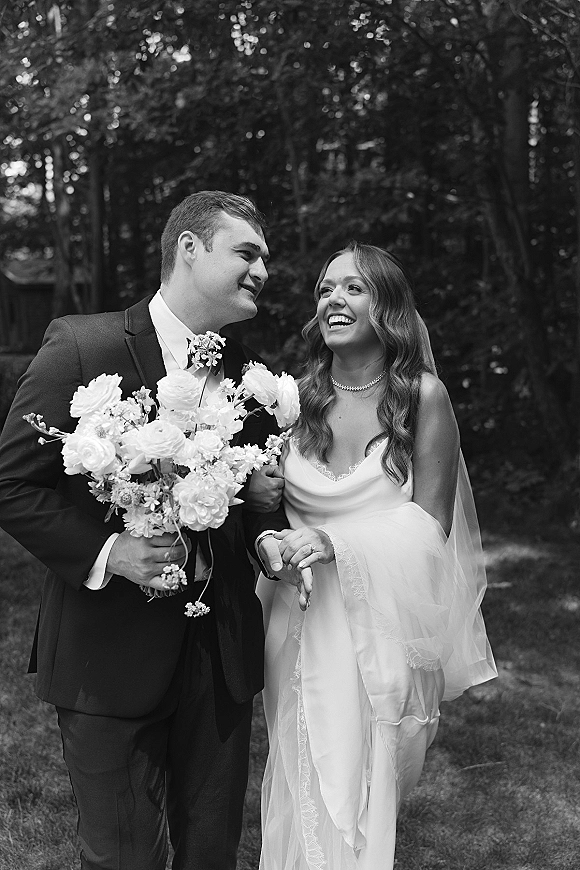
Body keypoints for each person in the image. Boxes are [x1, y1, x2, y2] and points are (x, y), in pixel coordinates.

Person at [0, 190, 289, 870]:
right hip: (108, 657)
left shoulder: (251, 375)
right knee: (121, 856)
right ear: (189, 248)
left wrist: (268, 533)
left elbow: (255, 502)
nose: (263, 271)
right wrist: (111, 550)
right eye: (247, 253)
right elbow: (10, 482)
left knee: (209, 855)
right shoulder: (84, 345)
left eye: (266, 260)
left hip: (220, 660)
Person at [255, 241, 497, 870]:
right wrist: (270, 541)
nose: (333, 298)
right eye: (325, 288)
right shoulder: (291, 399)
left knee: (367, 793)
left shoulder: (422, 396)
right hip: (300, 619)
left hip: (382, 620)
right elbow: (263, 510)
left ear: (386, 305)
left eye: (353, 287)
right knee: (302, 779)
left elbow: (431, 526)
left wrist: (339, 542)